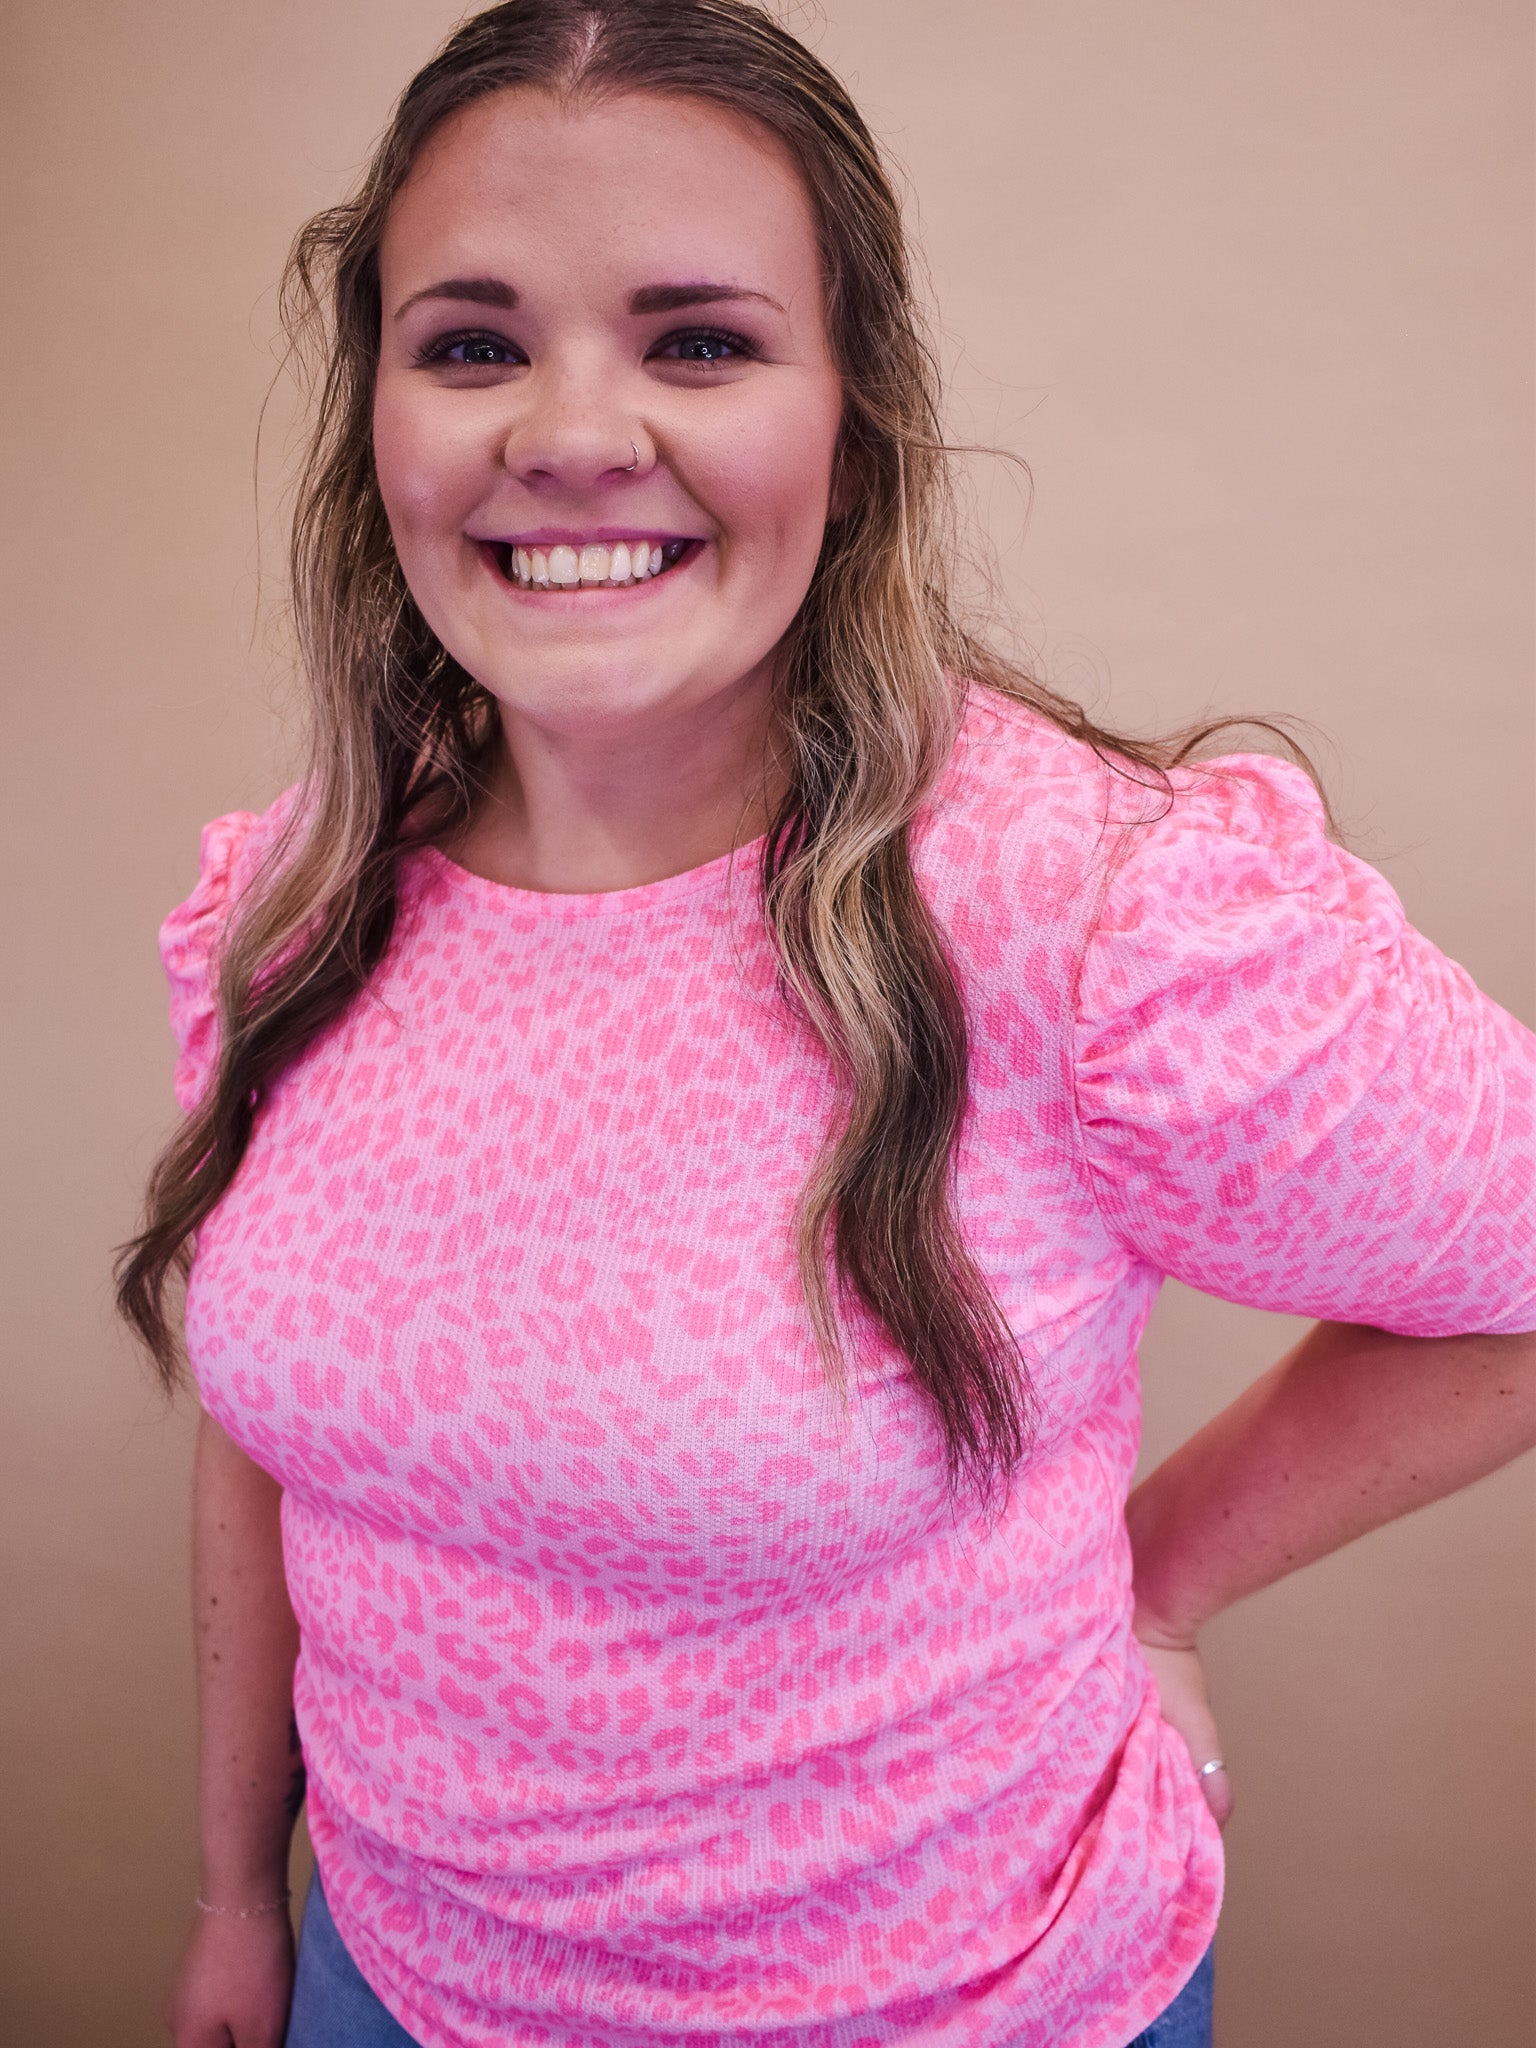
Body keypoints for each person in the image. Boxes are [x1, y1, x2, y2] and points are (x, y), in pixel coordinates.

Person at [117, 4, 1536, 2045]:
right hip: (391, 1984)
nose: (572, 431)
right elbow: (269, 1439)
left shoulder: (1093, 914)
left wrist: (1152, 1582)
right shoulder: (291, 902)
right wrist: (238, 1899)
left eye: (699, 341)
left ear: (854, 417)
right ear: (380, 422)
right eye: (473, 344)